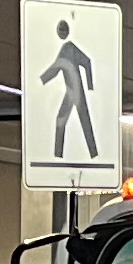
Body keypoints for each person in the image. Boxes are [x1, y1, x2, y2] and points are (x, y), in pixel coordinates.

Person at [40, 16, 101, 163]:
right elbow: (56, 68)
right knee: (64, 120)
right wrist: (41, 80)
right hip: (71, 91)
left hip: (77, 90)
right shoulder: (65, 49)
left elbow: (86, 61)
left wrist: (90, 85)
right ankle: (59, 155)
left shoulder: (69, 48)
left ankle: (90, 154)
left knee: (83, 121)